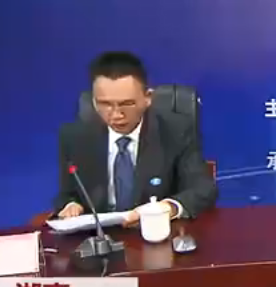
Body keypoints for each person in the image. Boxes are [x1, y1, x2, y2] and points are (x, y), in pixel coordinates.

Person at [53, 52, 217, 225]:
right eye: (105, 104)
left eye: (127, 104)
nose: (116, 115)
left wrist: (169, 207)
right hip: (98, 235)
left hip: (156, 230)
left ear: (148, 98)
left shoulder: (176, 131)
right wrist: (70, 205)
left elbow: (202, 188)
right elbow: (67, 194)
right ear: (94, 102)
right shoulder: (74, 137)